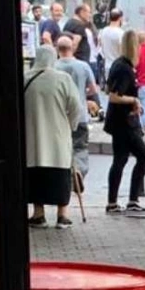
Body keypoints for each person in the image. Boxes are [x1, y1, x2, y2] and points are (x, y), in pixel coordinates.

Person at [24, 46, 84, 228]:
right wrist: (70, 125)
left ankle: (38, 213)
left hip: (32, 134)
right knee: (60, 173)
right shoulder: (62, 79)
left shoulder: (25, 78)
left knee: (35, 175)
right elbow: (76, 107)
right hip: (58, 134)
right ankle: (62, 215)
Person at [104, 30, 145, 214]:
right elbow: (115, 96)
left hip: (119, 121)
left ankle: (113, 202)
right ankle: (132, 198)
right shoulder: (125, 69)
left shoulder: (119, 64)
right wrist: (134, 100)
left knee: (120, 159)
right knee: (144, 156)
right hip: (124, 122)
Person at [54, 36, 99, 116]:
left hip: (60, 116)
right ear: (72, 48)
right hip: (80, 114)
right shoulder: (84, 66)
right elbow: (93, 89)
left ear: (57, 49)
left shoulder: (52, 67)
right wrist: (82, 93)